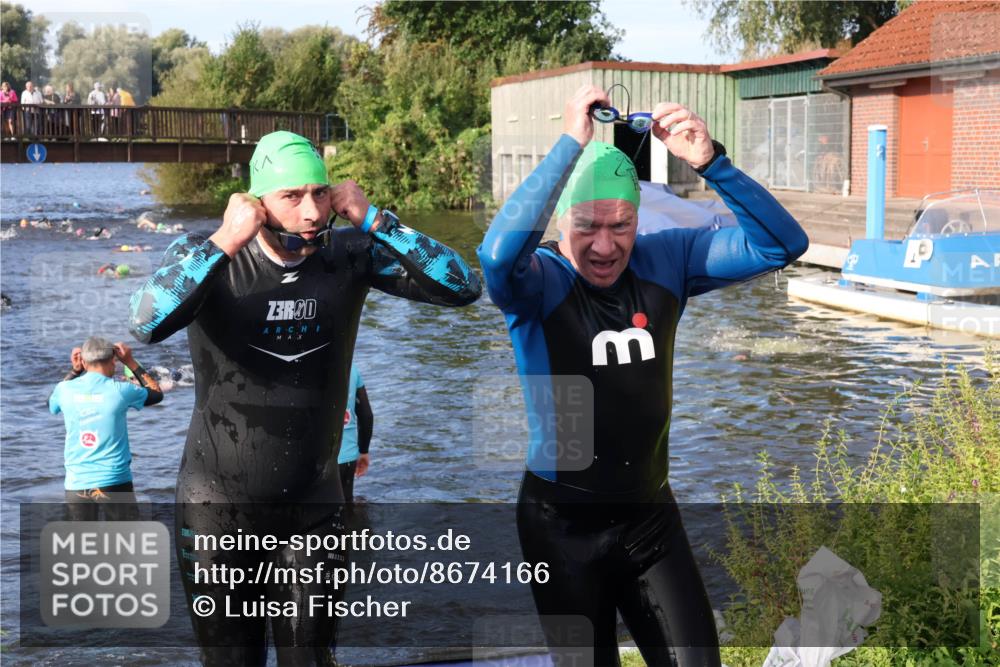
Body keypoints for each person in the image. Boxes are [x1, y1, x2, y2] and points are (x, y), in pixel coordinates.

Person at [477, 85, 809, 667]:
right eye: (587, 226)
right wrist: (569, 142)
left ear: (639, 219)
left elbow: (783, 244)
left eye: (622, 225)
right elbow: (496, 255)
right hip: (561, 529)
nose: (605, 246)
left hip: (649, 519)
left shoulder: (667, 260)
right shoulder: (537, 283)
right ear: (559, 221)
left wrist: (712, 162)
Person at [128, 130, 481, 666]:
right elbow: (146, 322)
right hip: (217, 509)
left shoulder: (352, 255)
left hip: (313, 510)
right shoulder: (207, 258)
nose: (312, 211)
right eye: (291, 196)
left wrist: (377, 219)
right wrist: (226, 240)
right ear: (256, 202)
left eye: (319, 193)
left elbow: (463, 287)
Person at [49, 337, 164, 521]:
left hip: (77, 482)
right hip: (115, 479)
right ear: (113, 361)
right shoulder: (121, 389)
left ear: (84, 362)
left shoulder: (64, 389)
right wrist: (131, 362)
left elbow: (51, 404)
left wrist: (74, 371)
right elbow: (156, 394)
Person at [337, 364, 373, 504]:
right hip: (347, 458)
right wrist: (363, 451)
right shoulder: (352, 369)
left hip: (316, 462)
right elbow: (366, 416)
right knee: (345, 508)